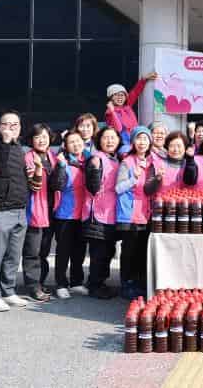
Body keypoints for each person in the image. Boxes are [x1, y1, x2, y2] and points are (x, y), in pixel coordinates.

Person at [0, 110, 29, 312]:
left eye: (15, 125)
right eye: (6, 124)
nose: (10, 128)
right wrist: (6, 142)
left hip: (20, 208)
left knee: (13, 255)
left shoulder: (19, 148)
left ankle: (8, 291)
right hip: (1, 209)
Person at [115, 126, 162, 299]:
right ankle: (126, 284)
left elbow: (150, 190)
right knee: (129, 251)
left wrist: (158, 179)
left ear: (150, 142)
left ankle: (139, 284)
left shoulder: (153, 163)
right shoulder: (127, 162)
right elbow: (118, 188)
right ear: (133, 142)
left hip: (146, 214)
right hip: (129, 214)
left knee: (142, 251)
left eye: (145, 139)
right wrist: (133, 179)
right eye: (138, 138)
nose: (142, 142)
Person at [49, 131, 89, 300]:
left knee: (79, 250)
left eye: (78, 141)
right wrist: (61, 166)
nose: (75, 144)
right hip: (65, 214)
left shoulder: (87, 161)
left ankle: (76, 282)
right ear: (65, 146)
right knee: (63, 251)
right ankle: (61, 284)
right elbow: (56, 185)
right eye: (71, 142)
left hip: (83, 214)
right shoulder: (62, 162)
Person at [83, 126, 122, 299]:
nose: (110, 141)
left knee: (108, 251)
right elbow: (92, 187)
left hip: (111, 213)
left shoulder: (116, 159)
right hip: (97, 213)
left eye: (113, 137)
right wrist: (95, 170)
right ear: (99, 141)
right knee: (99, 253)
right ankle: (94, 285)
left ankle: (101, 283)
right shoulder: (96, 159)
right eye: (106, 137)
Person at [21, 124, 58, 302]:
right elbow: (33, 185)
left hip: (51, 209)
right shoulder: (29, 158)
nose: (41, 140)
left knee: (44, 250)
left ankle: (40, 282)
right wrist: (37, 168)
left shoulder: (52, 156)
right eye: (37, 137)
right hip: (35, 208)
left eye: (44, 136)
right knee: (32, 251)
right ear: (31, 140)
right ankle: (33, 286)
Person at [105, 72, 158, 154]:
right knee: (126, 152)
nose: (120, 97)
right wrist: (112, 111)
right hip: (123, 143)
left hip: (135, 138)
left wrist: (144, 79)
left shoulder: (127, 106)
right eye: (116, 95)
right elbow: (118, 128)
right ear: (111, 98)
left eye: (122, 95)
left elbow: (135, 92)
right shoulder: (109, 112)